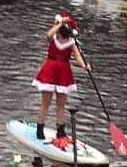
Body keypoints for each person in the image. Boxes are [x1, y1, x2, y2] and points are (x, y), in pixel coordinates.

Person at [33, 12, 90, 144]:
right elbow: (48, 34)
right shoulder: (53, 38)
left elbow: (78, 57)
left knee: (61, 104)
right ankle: (40, 128)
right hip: (50, 71)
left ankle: (60, 130)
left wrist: (85, 66)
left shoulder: (71, 43)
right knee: (45, 103)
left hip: (64, 72)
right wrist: (59, 23)